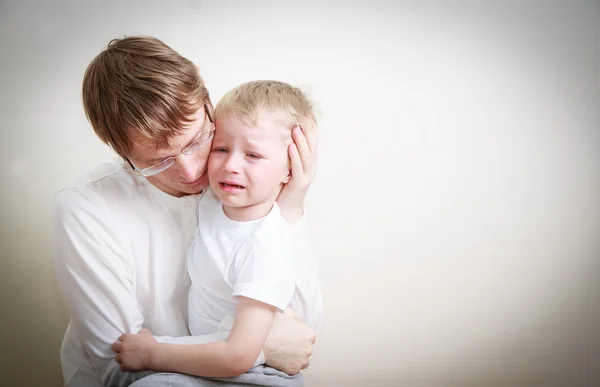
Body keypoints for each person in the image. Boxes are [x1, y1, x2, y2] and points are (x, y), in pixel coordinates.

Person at [51, 36, 320, 387]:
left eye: (197, 140)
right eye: (156, 162)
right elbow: (119, 369)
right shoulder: (86, 208)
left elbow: (302, 338)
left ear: (206, 99)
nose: (193, 172)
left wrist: (290, 207)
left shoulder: (237, 180)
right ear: (120, 151)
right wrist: (258, 350)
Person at [111, 81, 323, 385]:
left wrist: (153, 354)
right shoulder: (212, 199)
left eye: (253, 155)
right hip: (217, 361)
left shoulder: (266, 244)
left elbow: (239, 355)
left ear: (290, 168)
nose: (231, 165)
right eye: (221, 148)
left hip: (256, 373)